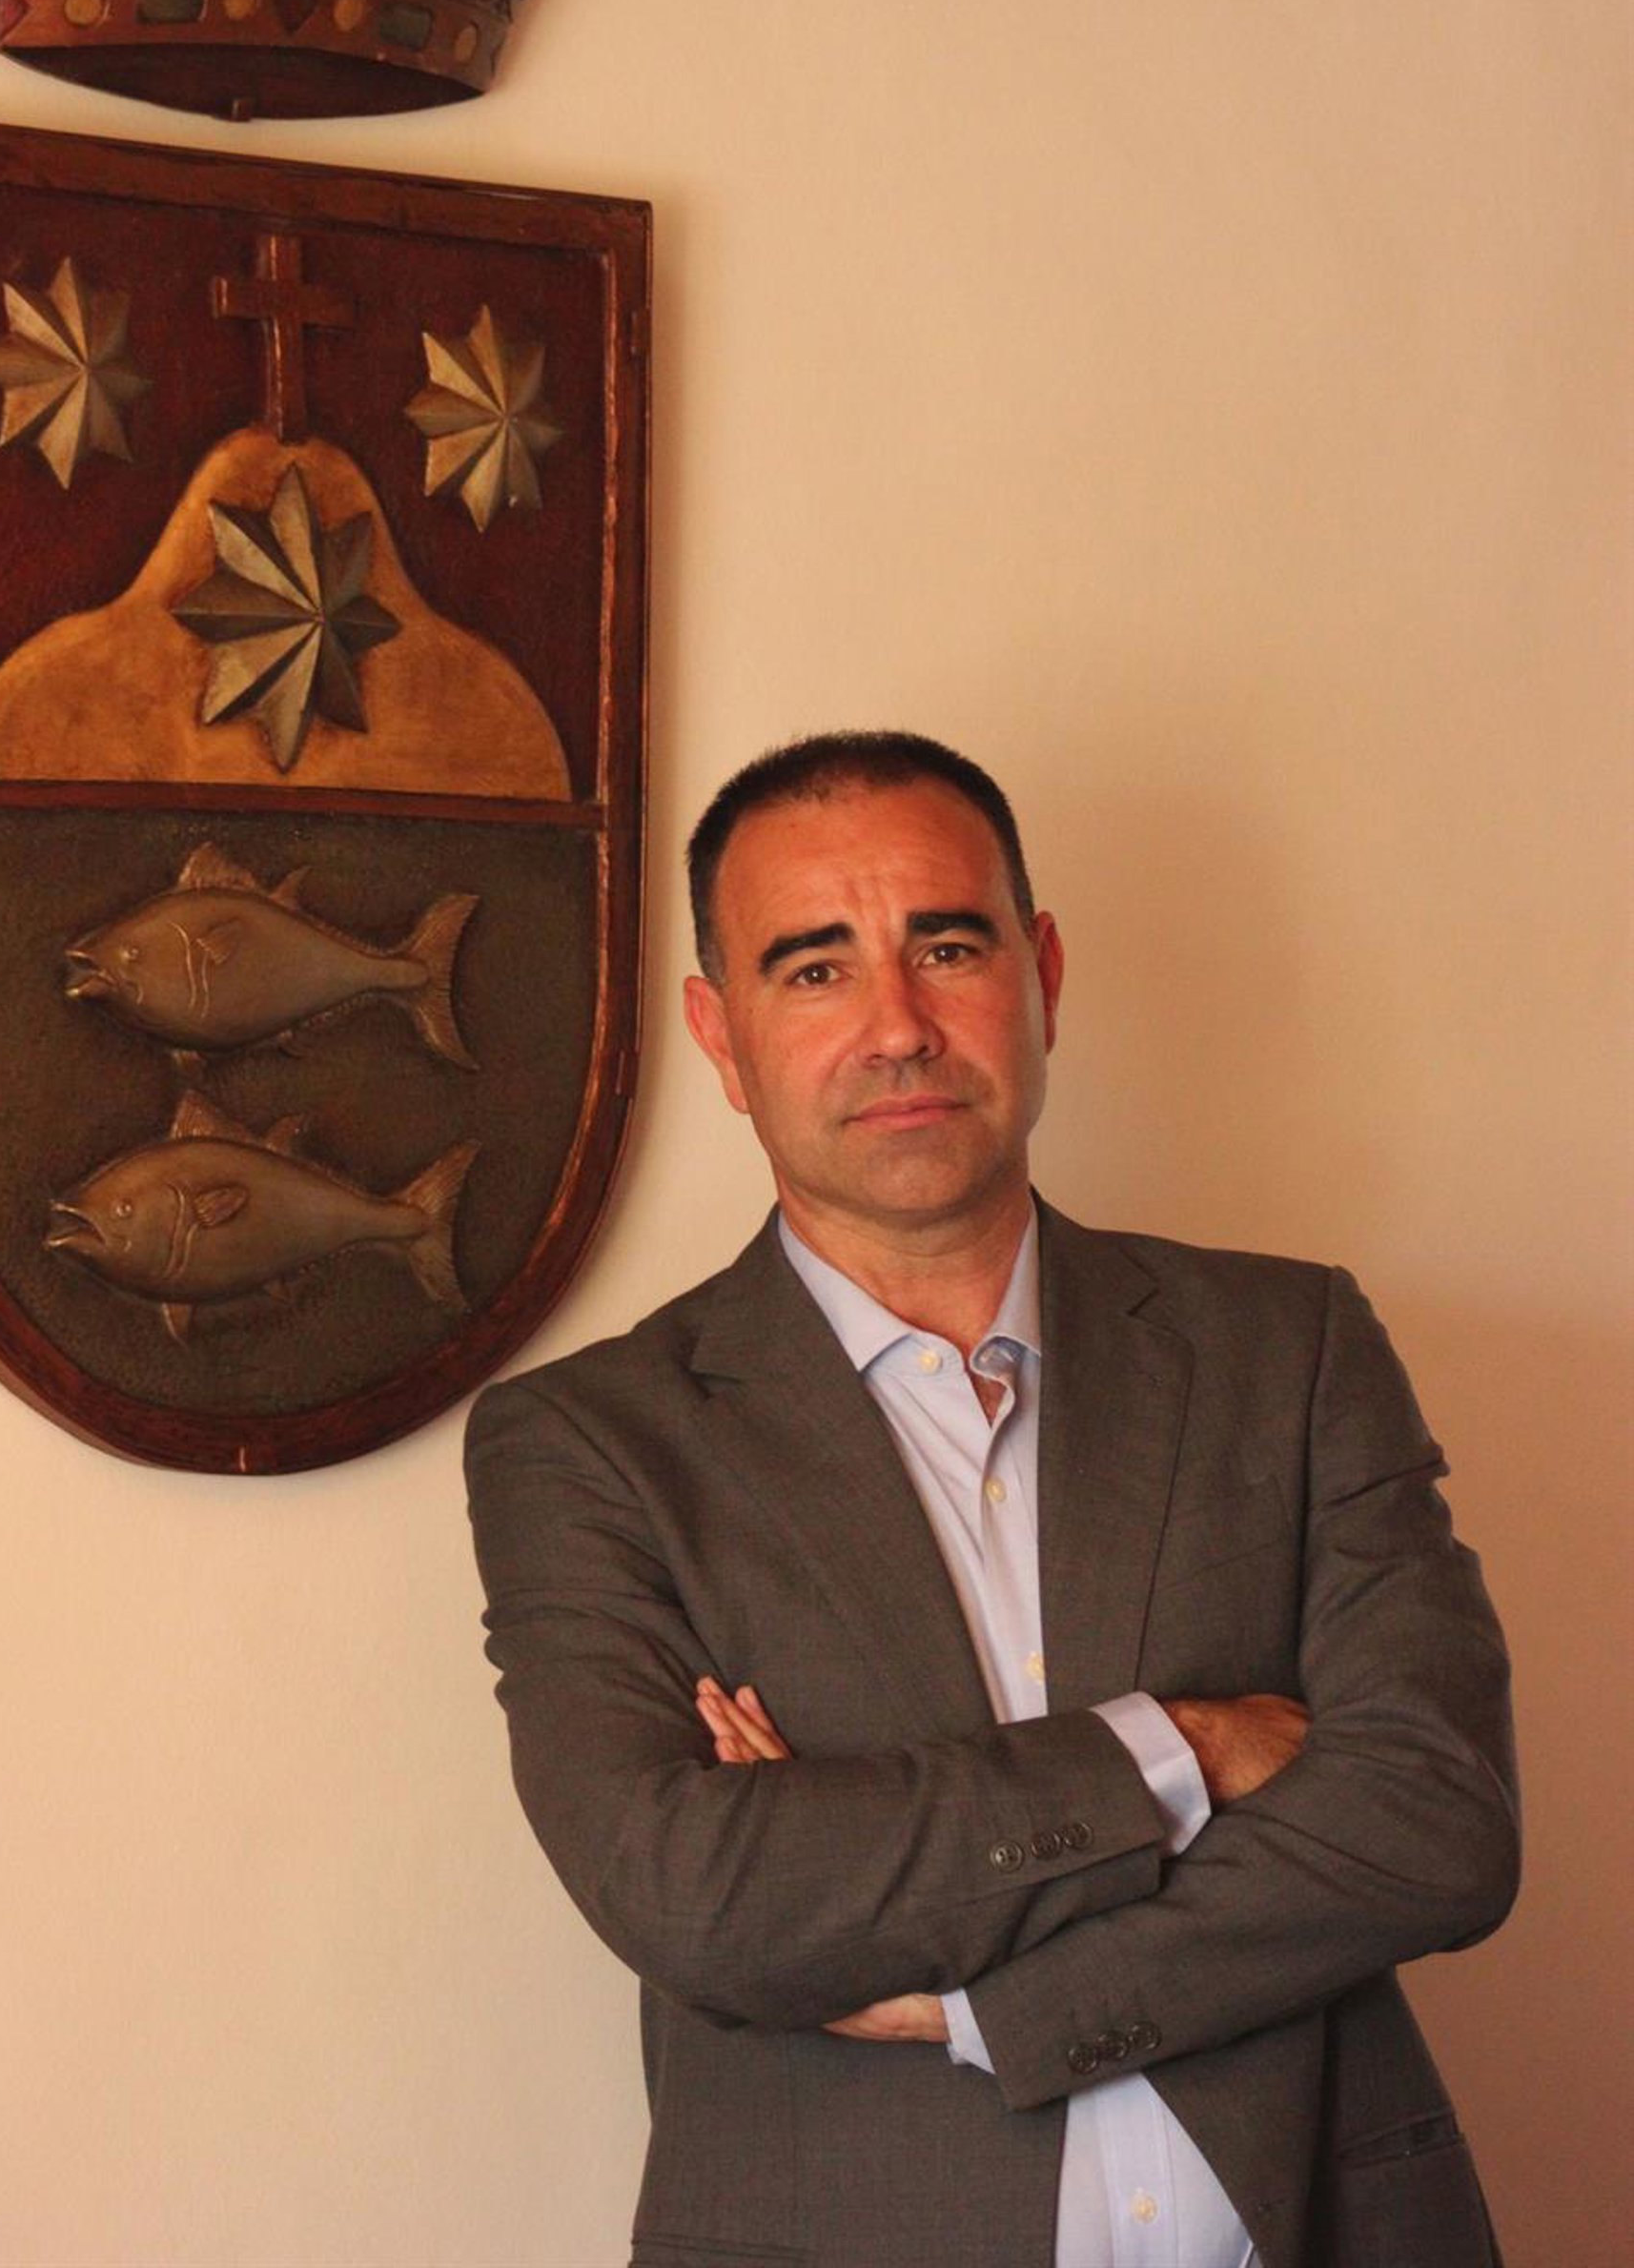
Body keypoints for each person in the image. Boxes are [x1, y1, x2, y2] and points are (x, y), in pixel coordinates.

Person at [465, 731, 1517, 2268]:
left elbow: (1440, 1822)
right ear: (720, 1033)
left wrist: (985, 2001)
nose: (897, 1026)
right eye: (815, 969)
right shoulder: (591, 1443)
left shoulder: (1287, 1347)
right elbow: (703, 1900)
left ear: (1043, 976)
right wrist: (1190, 1748)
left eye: (947, 948)